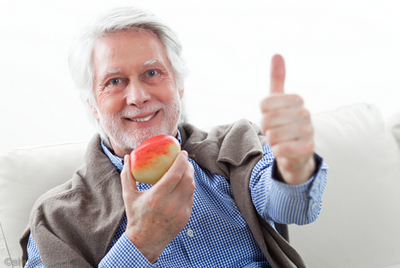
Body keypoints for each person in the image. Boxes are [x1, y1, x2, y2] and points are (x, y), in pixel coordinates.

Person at [20, 6, 328, 268]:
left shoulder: (235, 145)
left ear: (178, 85)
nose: (138, 96)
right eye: (115, 81)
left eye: (152, 73)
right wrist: (140, 243)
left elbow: (294, 208)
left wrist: (296, 165)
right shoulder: (56, 219)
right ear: (93, 106)